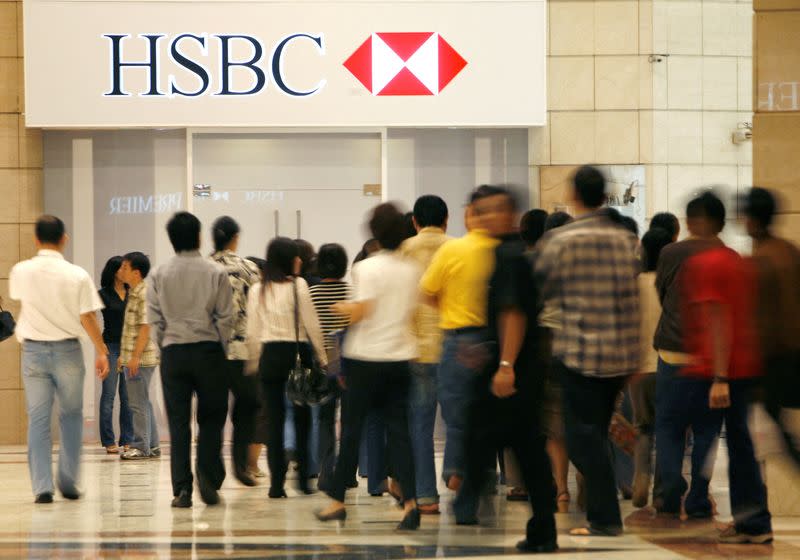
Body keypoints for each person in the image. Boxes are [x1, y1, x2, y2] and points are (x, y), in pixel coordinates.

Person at [534, 166, 640, 536]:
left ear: (575, 195)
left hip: (577, 353)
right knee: (594, 432)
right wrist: (634, 356)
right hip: (617, 355)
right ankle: (600, 513)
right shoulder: (624, 241)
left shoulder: (561, 241)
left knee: (582, 436)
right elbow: (631, 301)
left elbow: (541, 291)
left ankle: (606, 517)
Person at [454, 186, 558, 553]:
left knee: (503, 443)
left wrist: (505, 365)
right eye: (480, 212)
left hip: (514, 371)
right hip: (512, 366)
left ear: (511, 213)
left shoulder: (511, 256)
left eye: (494, 210)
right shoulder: (507, 252)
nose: (486, 218)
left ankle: (475, 509)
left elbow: (513, 312)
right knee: (521, 447)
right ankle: (540, 527)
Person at [315, 202, 421, 530]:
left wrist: (343, 307)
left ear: (374, 232)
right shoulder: (411, 269)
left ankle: (336, 501)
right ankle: (410, 504)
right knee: (399, 432)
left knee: (351, 431)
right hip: (401, 357)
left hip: (365, 360)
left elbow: (362, 312)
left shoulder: (366, 269)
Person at [679, 192, 772, 544]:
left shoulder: (706, 264)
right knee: (740, 446)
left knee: (699, 437)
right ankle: (753, 521)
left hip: (721, 371)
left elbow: (718, 321)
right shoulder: (736, 260)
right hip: (745, 367)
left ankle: (734, 513)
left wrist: (719, 376)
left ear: (696, 222)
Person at [10, 215, 110, 503]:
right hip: (67, 351)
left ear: (36, 238)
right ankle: (68, 480)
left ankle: (42, 486)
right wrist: (102, 350)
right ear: (64, 238)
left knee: (38, 420)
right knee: (71, 416)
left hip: (33, 352)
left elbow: (19, 298)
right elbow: (88, 316)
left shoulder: (21, 271)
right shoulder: (77, 274)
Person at [147, 211, 234, 508]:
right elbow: (225, 318)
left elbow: (155, 320)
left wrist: (166, 346)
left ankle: (182, 490)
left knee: (178, 422)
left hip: (174, 352)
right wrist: (220, 349)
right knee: (211, 417)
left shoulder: (158, 274)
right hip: (208, 351)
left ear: (171, 239)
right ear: (199, 237)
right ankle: (208, 476)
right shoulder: (215, 272)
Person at [419, 189, 501, 491]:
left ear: (469, 216)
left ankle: (455, 471)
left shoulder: (453, 250)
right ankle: (486, 477)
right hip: (493, 341)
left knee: (457, 415)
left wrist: (449, 309)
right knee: (488, 414)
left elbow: (426, 291)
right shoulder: (501, 250)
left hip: (457, 338)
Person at [653, 193, 725, 519]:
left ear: (689, 222)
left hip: (671, 354)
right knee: (707, 431)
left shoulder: (669, 253)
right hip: (710, 359)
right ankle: (698, 497)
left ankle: (670, 492)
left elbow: (662, 293)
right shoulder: (728, 256)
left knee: (669, 428)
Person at [245, 237, 328, 498]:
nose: (300, 260)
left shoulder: (258, 289)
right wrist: (323, 357)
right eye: (296, 256)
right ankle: (303, 481)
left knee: (274, 421)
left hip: (270, 355)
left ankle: (276, 485)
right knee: (302, 420)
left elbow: (252, 331)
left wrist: (252, 362)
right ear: (287, 259)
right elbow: (311, 324)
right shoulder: (299, 286)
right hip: (297, 354)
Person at [398, 195, 450, 515]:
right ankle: (467, 484)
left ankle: (426, 495)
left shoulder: (403, 251)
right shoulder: (458, 247)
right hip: (455, 345)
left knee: (419, 424)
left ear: (415, 222)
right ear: (446, 220)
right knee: (460, 423)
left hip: (416, 349)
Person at [744, 188, 800, 466]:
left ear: (750, 220)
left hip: (774, 361)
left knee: (764, 437)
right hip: (793, 354)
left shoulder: (758, 263)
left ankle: (751, 505)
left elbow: (759, 321)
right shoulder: (790, 251)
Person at [210, 216, 262, 486]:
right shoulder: (249, 268)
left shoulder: (203, 267)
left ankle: (213, 473)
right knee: (246, 409)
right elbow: (259, 309)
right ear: (235, 238)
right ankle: (241, 467)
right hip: (242, 351)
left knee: (212, 414)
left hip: (212, 353)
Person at [630, 227, 672, 507]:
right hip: (669, 365)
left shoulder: (634, 284)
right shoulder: (671, 284)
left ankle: (640, 478)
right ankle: (661, 491)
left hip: (639, 367)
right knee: (668, 429)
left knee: (644, 428)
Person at [309, 243, 352, 493]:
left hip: (322, 362)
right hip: (348, 363)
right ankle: (346, 474)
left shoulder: (312, 294)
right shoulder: (350, 291)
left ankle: (326, 472)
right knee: (348, 420)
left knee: (324, 420)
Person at [118, 252, 161, 460]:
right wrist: (125, 357)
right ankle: (152, 445)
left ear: (136, 272)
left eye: (124, 268)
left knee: (136, 403)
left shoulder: (143, 293)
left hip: (141, 358)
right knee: (143, 401)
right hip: (135, 357)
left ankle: (140, 446)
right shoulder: (135, 291)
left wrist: (134, 357)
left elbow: (146, 326)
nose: (120, 271)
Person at [97, 256, 133, 454]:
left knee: (127, 397)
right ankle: (108, 440)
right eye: (121, 269)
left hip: (128, 347)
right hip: (109, 346)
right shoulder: (103, 294)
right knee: (108, 395)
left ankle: (127, 439)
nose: (124, 272)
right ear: (113, 272)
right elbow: (90, 320)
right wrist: (100, 349)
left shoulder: (132, 292)